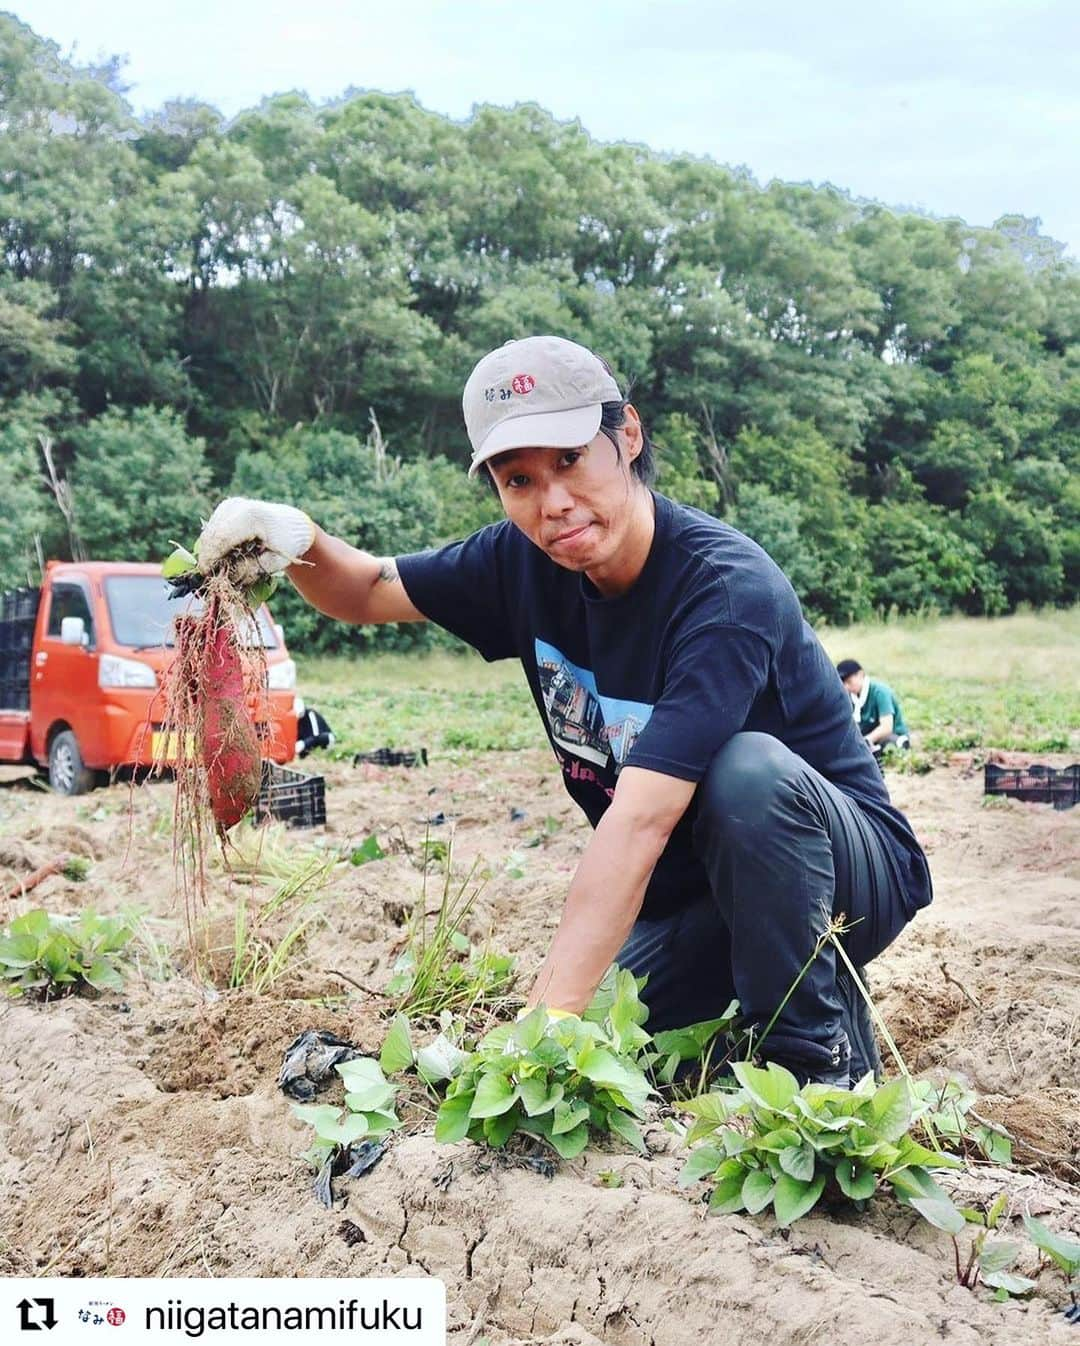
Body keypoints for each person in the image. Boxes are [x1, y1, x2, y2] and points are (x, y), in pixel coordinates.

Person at [197, 335, 932, 1087]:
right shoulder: (517, 563)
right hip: (697, 896)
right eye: (519, 479)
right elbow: (367, 588)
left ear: (628, 436)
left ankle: (819, 1068)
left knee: (747, 775)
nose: (553, 503)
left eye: (571, 460)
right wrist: (298, 539)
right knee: (621, 1050)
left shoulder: (723, 590)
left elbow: (640, 823)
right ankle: (756, 1005)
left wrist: (541, 1027)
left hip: (845, 872)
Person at [836, 660, 911, 758]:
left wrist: (866, 740)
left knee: (888, 744)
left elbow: (886, 727)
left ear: (861, 674)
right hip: (866, 735)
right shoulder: (850, 697)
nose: (846, 687)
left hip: (888, 735)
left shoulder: (880, 692)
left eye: (849, 682)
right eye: (843, 683)